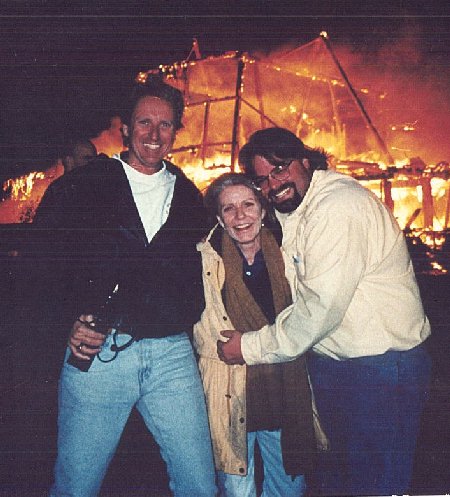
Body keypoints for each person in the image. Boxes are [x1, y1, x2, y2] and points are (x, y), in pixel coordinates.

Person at [218, 127, 432, 497]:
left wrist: (249, 348)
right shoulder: (296, 211)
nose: (274, 183)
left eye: (281, 168)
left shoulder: (338, 207)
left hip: (379, 369)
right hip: (339, 366)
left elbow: (319, 308)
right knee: (344, 482)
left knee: (375, 484)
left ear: (305, 160)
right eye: (263, 179)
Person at [32, 77, 217, 497]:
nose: (155, 134)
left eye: (165, 125)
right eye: (145, 123)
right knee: (77, 484)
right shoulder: (85, 184)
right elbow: (41, 263)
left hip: (172, 356)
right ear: (127, 129)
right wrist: (68, 321)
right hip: (101, 352)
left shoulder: (189, 196)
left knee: (200, 485)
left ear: (176, 132)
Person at [195, 172, 316, 497]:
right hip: (231, 393)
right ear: (219, 219)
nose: (240, 216)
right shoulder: (205, 263)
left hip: (284, 391)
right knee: (238, 491)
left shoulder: (291, 253)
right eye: (229, 209)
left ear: (263, 210)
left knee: (289, 489)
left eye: (248, 204)